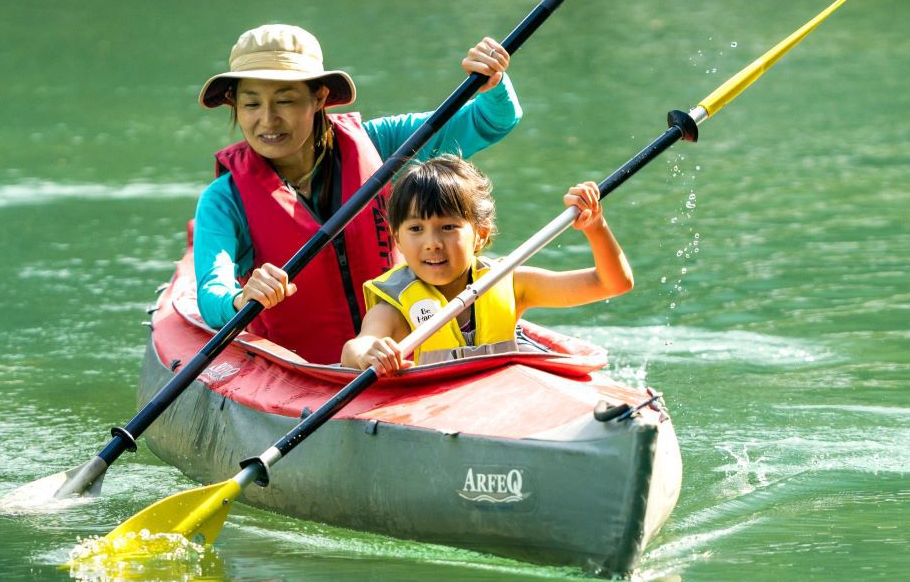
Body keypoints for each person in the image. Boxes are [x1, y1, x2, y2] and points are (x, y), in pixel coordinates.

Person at [192, 24, 520, 364]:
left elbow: (494, 120)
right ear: (234, 104)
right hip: (301, 373)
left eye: (285, 101)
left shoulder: (381, 144)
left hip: (401, 356)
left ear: (318, 97)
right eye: (251, 104)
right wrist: (241, 299)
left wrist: (493, 83)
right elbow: (211, 293)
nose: (267, 119)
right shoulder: (224, 199)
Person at [340, 155, 633, 375]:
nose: (432, 243)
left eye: (448, 227)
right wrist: (370, 354)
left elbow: (613, 283)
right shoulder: (392, 310)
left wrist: (596, 226)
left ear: (480, 235)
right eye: (416, 229)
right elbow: (356, 347)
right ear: (398, 241)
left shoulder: (511, 282)